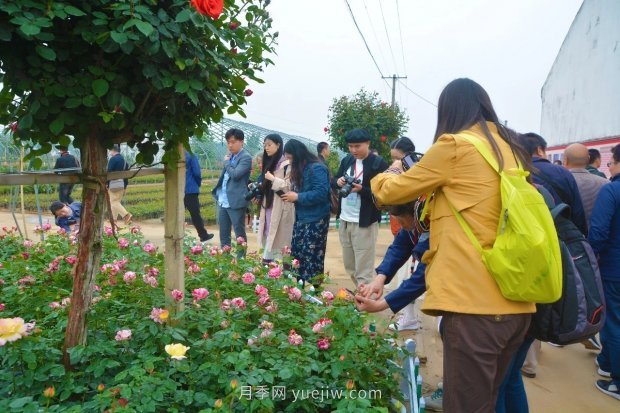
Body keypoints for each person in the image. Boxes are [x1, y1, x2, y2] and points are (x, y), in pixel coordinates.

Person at [370, 78, 535, 412]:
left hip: (475, 308)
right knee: (490, 397)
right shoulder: (511, 149)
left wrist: (386, 172)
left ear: (449, 111)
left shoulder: (456, 146)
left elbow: (390, 192)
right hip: (518, 303)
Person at [333, 128, 388, 287]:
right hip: (345, 219)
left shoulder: (378, 164)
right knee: (350, 265)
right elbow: (334, 180)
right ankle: (362, 296)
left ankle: (363, 303)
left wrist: (361, 189)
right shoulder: (347, 160)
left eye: (357, 146)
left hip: (364, 221)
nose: (353, 150)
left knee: (363, 269)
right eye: (350, 146)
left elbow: (385, 193)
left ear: (368, 143)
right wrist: (339, 182)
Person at [589, 144, 620, 401]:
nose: (609, 168)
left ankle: (617, 383)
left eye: (611, 163)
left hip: (614, 269)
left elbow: (598, 233)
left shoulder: (612, 191)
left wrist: (593, 259)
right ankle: (607, 363)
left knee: (614, 324)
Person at [518, 133, 587, 236]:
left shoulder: (517, 173)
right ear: (540, 150)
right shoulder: (562, 172)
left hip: (530, 237)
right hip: (561, 236)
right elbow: (578, 212)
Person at [281, 139, 330, 282]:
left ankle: (313, 288)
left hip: (316, 219)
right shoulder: (300, 167)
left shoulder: (316, 168)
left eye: (290, 157)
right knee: (298, 254)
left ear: (298, 154)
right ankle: (300, 287)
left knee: (312, 256)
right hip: (302, 217)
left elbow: (321, 193)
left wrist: (297, 197)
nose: (289, 161)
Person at [386, 136, 420, 331]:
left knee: (412, 276)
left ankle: (409, 317)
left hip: (413, 234)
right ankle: (408, 315)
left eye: (398, 158)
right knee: (404, 275)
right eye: (393, 158)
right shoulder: (397, 174)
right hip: (401, 232)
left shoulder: (415, 176)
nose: (395, 163)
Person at [212, 128, 252, 257]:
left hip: (236, 201)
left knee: (239, 234)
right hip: (223, 200)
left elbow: (235, 175)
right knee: (224, 234)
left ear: (241, 142)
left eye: (233, 142)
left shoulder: (245, 158)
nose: (230, 145)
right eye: (228, 142)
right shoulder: (231, 157)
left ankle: (241, 261)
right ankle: (225, 260)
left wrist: (226, 163)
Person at [257, 134, 294, 263]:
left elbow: (288, 187)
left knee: (280, 240)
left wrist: (273, 179)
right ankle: (270, 268)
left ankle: (280, 270)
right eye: (264, 145)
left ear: (278, 145)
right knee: (269, 234)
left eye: (269, 145)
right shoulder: (269, 162)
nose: (266, 148)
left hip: (281, 207)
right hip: (269, 206)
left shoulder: (286, 164)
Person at [563, 143, 608, 226]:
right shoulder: (605, 183)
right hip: (599, 234)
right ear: (588, 159)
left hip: (569, 236)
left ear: (565, 160)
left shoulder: (560, 182)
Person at [184, 150, 214, 243]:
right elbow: (197, 172)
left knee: (177, 214)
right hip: (190, 189)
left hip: (177, 190)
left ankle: (175, 235)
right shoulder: (191, 155)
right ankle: (203, 235)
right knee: (195, 214)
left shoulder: (173, 155)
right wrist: (197, 183)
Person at [107, 144, 132, 225]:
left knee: (113, 202)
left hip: (113, 184)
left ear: (113, 150)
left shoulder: (113, 159)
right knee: (116, 202)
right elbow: (126, 176)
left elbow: (109, 172)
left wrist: (106, 184)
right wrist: (125, 186)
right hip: (122, 184)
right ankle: (113, 220)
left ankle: (126, 215)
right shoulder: (125, 161)